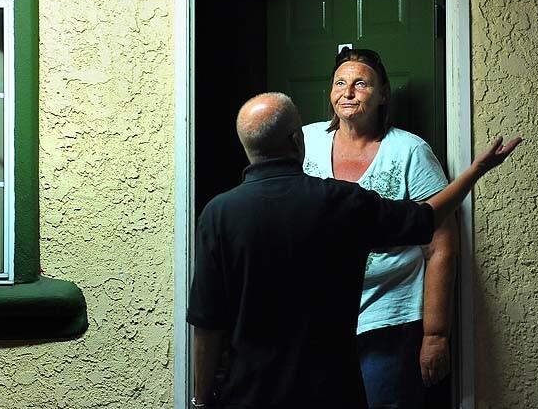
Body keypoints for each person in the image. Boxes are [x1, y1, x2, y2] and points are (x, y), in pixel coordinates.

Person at [188, 92, 519, 409]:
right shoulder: (340, 201)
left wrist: (201, 399)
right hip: (331, 391)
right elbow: (425, 218)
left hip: (249, 393)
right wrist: (475, 172)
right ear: (296, 140)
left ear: (248, 148)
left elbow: (206, 320)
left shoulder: (217, 214)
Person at [302, 47, 456, 407]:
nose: (348, 92)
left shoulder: (410, 151)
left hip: (388, 323)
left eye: (361, 84)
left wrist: (436, 334)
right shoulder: (304, 141)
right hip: (313, 323)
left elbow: (441, 245)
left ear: (383, 93)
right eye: (340, 83)